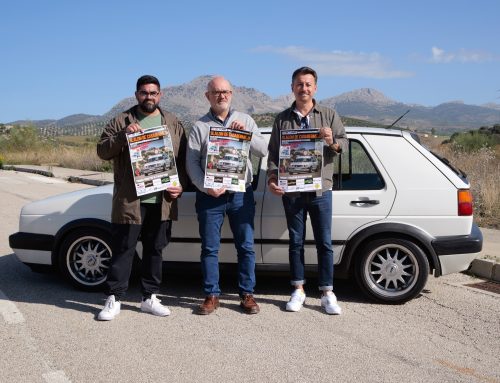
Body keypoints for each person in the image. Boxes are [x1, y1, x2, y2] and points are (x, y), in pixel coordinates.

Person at [96, 75, 187, 321]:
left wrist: (180, 185)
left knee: (155, 250)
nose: (149, 97)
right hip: (131, 202)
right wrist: (123, 135)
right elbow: (102, 150)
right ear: (137, 94)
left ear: (160, 94)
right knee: (123, 250)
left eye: (154, 92)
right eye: (145, 92)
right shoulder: (121, 120)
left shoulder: (173, 122)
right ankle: (114, 298)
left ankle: (149, 297)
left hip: (162, 201)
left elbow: (183, 161)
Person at [267, 67, 348, 315]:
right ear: (292, 87)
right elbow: (273, 154)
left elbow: (344, 144)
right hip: (292, 191)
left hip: (321, 190)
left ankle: (326, 292)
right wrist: (272, 178)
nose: (304, 88)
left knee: (324, 242)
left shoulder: (329, 115)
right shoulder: (282, 119)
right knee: (295, 242)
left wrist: (331, 141)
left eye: (308, 84)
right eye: (299, 84)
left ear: (315, 88)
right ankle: (298, 289)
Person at [186, 76, 267, 315]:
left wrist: (247, 136)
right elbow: (191, 162)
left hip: (241, 194)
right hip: (210, 196)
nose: (222, 95)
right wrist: (204, 186)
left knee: (246, 246)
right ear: (207, 96)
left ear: (231, 94)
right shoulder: (199, 126)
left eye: (226, 92)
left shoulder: (246, 121)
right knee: (210, 248)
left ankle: (247, 294)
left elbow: (264, 151)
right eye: (216, 92)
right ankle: (211, 295)